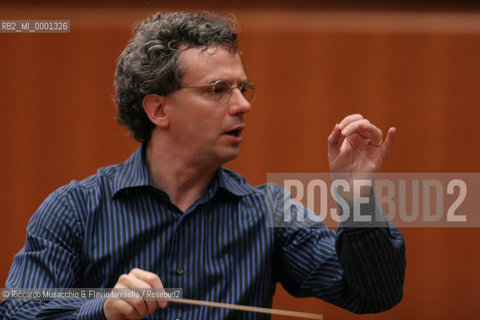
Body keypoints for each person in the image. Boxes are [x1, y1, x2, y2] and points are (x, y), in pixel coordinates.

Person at [0, 11, 405, 320]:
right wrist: (101, 307)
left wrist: (358, 201)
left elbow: (373, 294)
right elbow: (17, 307)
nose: (243, 104)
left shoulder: (270, 211)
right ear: (159, 108)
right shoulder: (76, 208)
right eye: (217, 90)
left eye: (242, 88)